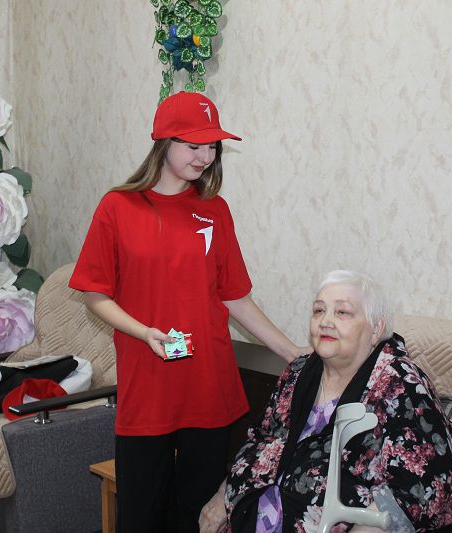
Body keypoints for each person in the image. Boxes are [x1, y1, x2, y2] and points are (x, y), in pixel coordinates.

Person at [69, 91, 310, 533]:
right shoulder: (118, 207)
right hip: (148, 385)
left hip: (207, 383)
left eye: (212, 145)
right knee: (140, 516)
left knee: (198, 517)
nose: (205, 156)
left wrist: (289, 350)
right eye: (193, 145)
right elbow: (94, 295)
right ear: (163, 142)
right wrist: (143, 332)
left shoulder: (215, 211)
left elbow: (234, 297)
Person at [200, 270, 452, 532]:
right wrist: (222, 497)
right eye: (319, 310)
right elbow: (260, 439)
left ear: (376, 328)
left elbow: (419, 491)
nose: (326, 321)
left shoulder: (401, 387)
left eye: (342, 312)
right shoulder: (299, 372)